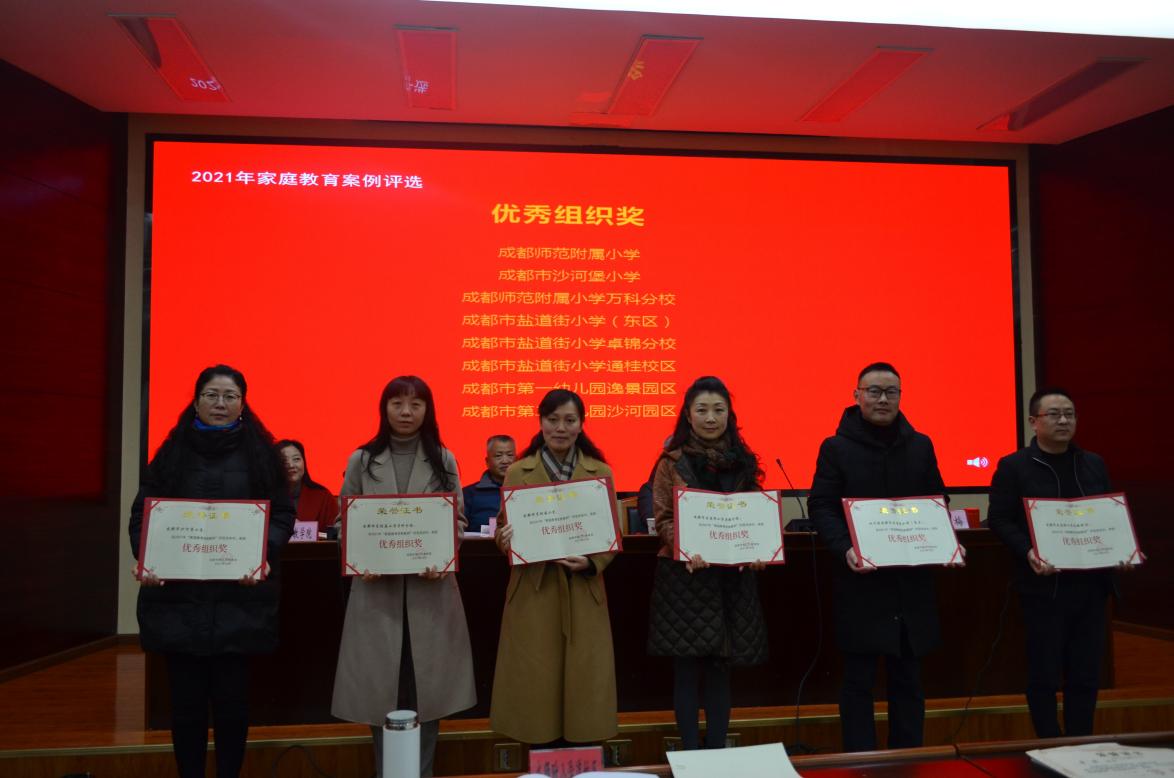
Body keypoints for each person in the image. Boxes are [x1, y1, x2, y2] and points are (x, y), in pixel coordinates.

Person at [128, 364, 295, 778]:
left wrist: (262, 554)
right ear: (196, 400)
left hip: (239, 602)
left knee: (232, 707)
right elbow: (143, 515)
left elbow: (282, 514)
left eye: (230, 396)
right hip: (179, 602)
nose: (220, 403)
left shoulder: (262, 455)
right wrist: (149, 558)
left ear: (242, 404)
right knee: (184, 708)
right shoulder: (171, 452)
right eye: (211, 395)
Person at [330, 376, 476, 777]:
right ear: (384, 409)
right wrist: (359, 556)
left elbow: (457, 521)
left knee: (428, 695)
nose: (406, 412)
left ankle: (421, 772)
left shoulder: (444, 459)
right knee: (381, 694)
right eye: (397, 404)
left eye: (415, 404)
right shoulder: (362, 459)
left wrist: (443, 553)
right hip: (377, 595)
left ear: (428, 410)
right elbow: (344, 523)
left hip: (431, 593)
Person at [808, 362, 947, 752]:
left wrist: (945, 540)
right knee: (858, 683)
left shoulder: (920, 445)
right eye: (874, 391)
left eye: (891, 392)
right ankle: (861, 764)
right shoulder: (835, 448)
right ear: (857, 396)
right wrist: (845, 547)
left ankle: (908, 761)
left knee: (909, 682)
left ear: (901, 397)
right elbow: (821, 506)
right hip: (861, 584)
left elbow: (937, 501)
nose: (883, 399)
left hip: (910, 584)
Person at [988, 387, 1127, 738]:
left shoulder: (1092, 463)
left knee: (1086, 674)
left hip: (1091, 587)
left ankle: (1081, 742)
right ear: (1033, 422)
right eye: (1054, 414)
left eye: (1070, 414)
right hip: (1044, 588)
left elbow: (1107, 515)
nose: (1064, 420)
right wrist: (1028, 551)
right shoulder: (1014, 466)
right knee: (1044, 674)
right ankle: (1050, 743)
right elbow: (1000, 519)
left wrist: (1121, 549)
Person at [646, 376, 769, 750]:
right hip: (685, 578)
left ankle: (716, 754)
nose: (711, 418)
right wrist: (685, 547)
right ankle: (691, 756)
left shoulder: (744, 462)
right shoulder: (671, 462)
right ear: (688, 415)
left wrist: (759, 549)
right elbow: (664, 518)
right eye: (702, 410)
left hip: (731, 578)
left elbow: (755, 515)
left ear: (730, 414)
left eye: (718, 410)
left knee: (720, 670)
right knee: (686, 670)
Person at [490, 389, 618, 744]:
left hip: (582, 591)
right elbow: (503, 527)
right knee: (535, 687)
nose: (560, 428)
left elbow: (611, 534)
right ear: (541, 422)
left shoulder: (600, 471)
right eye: (553, 419)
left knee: (584, 685)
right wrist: (503, 540)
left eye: (569, 420)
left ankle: (580, 760)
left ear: (581, 424)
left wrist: (592, 562)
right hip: (533, 591)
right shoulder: (518, 471)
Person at [276, 438, 339, 533]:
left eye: (296, 459)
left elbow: (334, 534)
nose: (291, 465)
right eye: (284, 461)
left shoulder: (323, 496)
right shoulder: (266, 497)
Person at [462, 434, 516, 533]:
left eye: (510, 455)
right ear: (487, 462)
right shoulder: (468, 494)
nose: (505, 461)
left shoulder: (526, 491)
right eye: (498, 456)